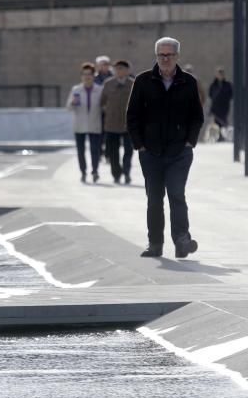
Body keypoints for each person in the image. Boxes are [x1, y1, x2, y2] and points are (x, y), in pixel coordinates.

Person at [126, 36, 204, 259]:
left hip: (179, 152)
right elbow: (132, 115)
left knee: (177, 194)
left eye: (169, 55)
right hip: (150, 152)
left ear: (177, 56)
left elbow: (196, 117)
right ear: (156, 56)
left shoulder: (188, 82)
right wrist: (139, 145)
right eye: (161, 55)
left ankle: (182, 240)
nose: (165, 59)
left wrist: (190, 141)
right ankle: (155, 244)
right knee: (154, 198)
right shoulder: (143, 81)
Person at [66, 62, 104, 183]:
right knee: (80, 151)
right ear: (81, 76)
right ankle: (83, 172)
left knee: (95, 150)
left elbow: (104, 106)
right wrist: (72, 103)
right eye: (84, 74)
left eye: (89, 74)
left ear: (93, 76)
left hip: (95, 124)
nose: (87, 77)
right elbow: (68, 108)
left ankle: (95, 171)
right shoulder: (76, 89)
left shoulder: (100, 89)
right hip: (79, 125)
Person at [100, 59, 135, 184]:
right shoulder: (108, 83)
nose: (118, 71)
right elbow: (102, 102)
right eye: (116, 68)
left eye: (121, 68)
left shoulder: (133, 84)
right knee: (113, 151)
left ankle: (126, 172)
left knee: (128, 151)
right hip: (111, 124)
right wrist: (108, 110)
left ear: (127, 70)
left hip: (128, 124)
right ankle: (116, 174)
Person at [208, 67, 233, 140]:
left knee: (223, 121)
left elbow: (231, 95)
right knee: (216, 122)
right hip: (215, 107)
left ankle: (224, 136)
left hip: (224, 106)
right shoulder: (213, 85)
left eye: (221, 74)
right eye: (219, 74)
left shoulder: (228, 85)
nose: (220, 76)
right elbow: (210, 95)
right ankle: (219, 136)